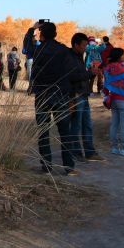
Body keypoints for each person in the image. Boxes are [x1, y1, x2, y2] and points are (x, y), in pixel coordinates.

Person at [29, 21, 82, 174]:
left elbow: (26, 46)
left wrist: (32, 29)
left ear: (41, 34)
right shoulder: (64, 51)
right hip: (60, 95)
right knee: (65, 131)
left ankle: (46, 166)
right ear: (56, 34)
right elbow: (73, 73)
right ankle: (69, 167)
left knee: (43, 132)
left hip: (42, 95)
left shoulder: (38, 50)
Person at [70, 32, 103, 162]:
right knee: (76, 125)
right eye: (84, 45)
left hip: (83, 94)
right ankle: (76, 152)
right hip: (76, 95)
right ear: (76, 45)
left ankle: (90, 152)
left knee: (87, 124)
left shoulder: (80, 57)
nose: (86, 48)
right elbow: (73, 77)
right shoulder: (70, 58)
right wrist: (89, 73)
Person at [102, 47, 124, 156]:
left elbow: (106, 85)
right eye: (123, 54)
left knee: (115, 124)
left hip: (113, 99)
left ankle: (114, 148)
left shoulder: (107, 69)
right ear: (119, 56)